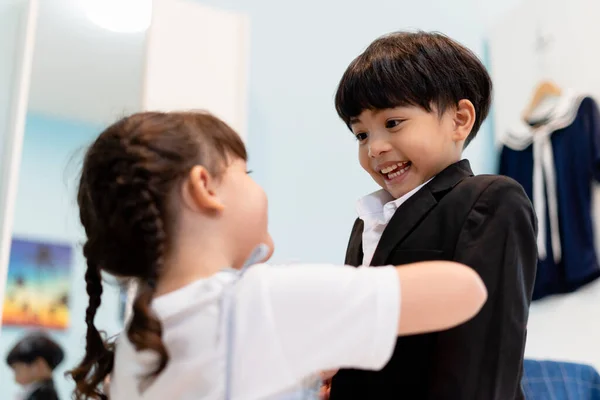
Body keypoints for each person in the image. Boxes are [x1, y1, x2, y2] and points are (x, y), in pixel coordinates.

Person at [66, 111, 487, 400]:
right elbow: (466, 289)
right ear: (204, 188)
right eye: (244, 174)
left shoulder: (134, 345)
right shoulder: (255, 300)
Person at [327, 31, 538, 400]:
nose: (375, 148)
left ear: (459, 119)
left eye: (392, 123)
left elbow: (485, 353)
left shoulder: (489, 200)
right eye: (361, 134)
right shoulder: (366, 224)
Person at [6, 331, 64, 400]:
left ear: (39, 365)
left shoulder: (44, 395)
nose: (15, 379)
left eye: (17, 370)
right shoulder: (37, 392)